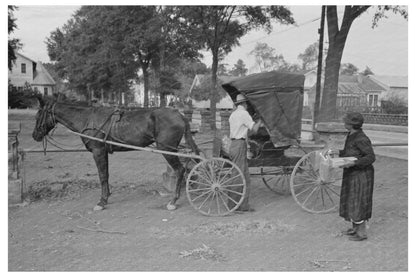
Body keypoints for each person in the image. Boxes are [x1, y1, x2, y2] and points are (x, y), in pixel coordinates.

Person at [330, 112, 376, 241]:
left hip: (361, 174)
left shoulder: (361, 138)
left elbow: (370, 157)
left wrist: (354, 163)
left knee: (358, 201)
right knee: (351, 200)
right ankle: (355, 228)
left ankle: (361, 233)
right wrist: (339, 153)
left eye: (346, 122)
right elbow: (351, 151)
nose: (344, 124)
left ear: (352, 124)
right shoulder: (351, 134)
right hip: (352, 173)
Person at [228, 94, 263, 212]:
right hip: (239, 144)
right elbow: (255, 129)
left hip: (234, 144)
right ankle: (235, 205)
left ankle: (242, 205)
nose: (247, 105)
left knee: (244, 176)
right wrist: (260, 120)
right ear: (244, 104)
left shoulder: (233, 114)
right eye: (247, 103)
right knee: (238, 176)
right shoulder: (244, 114)